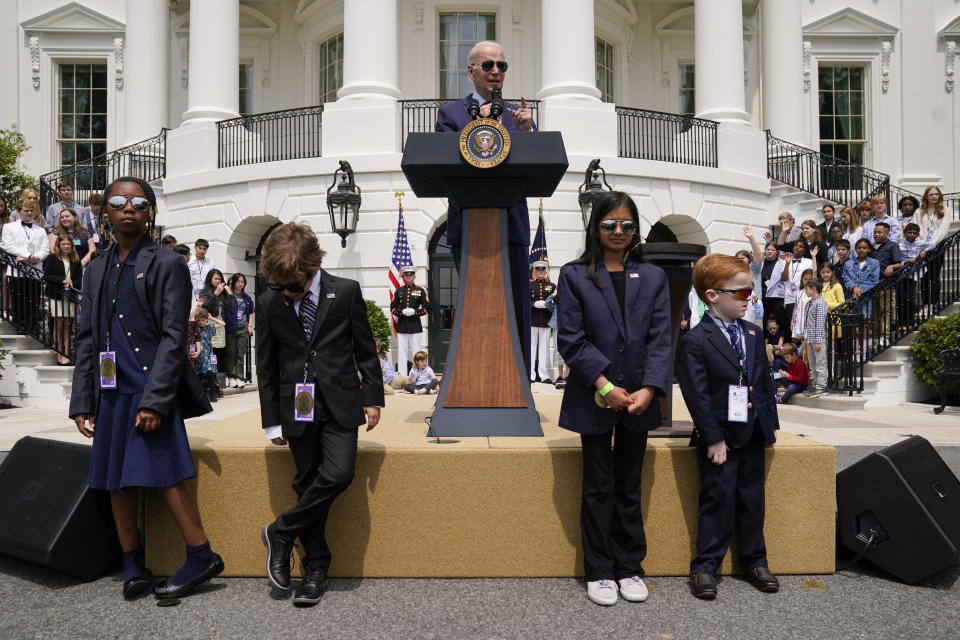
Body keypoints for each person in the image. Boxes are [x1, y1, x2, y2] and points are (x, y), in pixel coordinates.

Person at [69, 176, 221, 601]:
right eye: (118, 201)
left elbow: (175, 336)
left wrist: (156, 399)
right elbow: (86, 338)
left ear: (150, 212)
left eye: (138, 201)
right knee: (118, 480)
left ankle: (201, 554)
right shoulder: (96, 266)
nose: (128, 207)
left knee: (166, 473)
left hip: (150, 384)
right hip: (109, 386)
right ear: (106, 213)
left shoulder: (167, 262)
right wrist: (83, 400)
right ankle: (132, 562)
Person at [257, 222, 382, 607]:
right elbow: (266, 364)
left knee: (339, 473)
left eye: (293, 284)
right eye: (279, 285)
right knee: (306, 480)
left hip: (341, 401)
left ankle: (281, 530)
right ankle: (315, 567)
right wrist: (271, 420)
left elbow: (364, 349)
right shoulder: (267, 302)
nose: (286, 291)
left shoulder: (344, 291)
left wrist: (373, 396)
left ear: (312, 265)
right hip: (294, 404)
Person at [556, 191, 671, 607]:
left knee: (629, 486)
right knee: (598, 485)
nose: (618, 232)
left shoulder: (653, 276)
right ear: (596, 227)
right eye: (609, 225)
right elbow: (570, 338)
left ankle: (630, 566)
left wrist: (649, 388)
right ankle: (600, 570)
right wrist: (604, 385)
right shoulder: (574, 275)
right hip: (595, 395)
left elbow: (661, 338)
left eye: (626, 225)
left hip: (639, 397)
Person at [676, 253, 780, 601]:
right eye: (739, 292)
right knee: (717, 499)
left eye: (750, 291)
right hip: (720, 437)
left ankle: (755, 559)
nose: (748, 298)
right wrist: (713, 438)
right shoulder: (696, 340)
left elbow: (764, 385)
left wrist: (770, 427)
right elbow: (697, 395)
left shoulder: (752, 333)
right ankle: (705, 565)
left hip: (751, 432)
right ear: (712, 296)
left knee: (754, 499)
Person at [435, 40, 535, 373]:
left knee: (517, 306)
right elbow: (446, 161)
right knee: (476, 308)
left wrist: (525, 132)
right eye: (488, 65)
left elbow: (535, 166)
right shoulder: (450, 115)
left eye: (501, 66)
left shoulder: (517, 116)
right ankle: (473, 377)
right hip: (469, 225)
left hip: (513, 226)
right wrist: (480, 124)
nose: (496, 72)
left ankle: (518, 382)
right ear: (471, 71)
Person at [1, 199, 49, 331]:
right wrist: (28, 256)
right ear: (18, 211)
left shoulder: (40, 230)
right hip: (18, 269)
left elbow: (45, 248)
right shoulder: (8, 227)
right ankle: (20, 325)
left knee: (33, 300)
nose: (29, 213)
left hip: (35, 269)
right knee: (19, 299)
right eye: (26, 210)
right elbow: (7, 245)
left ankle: (32, 326)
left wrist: (36, 257)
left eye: (31, 211)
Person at [43, 234, 83, 365]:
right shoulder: (52, 258)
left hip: (69, 296)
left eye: (68, 244)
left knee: (67, 324)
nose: (66, 246)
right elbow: (47, 276)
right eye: (63, 244)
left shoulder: (76, 260)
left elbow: (78, 279)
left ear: (72, 246)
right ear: (59, 245)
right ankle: (58, 352)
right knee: (58, 324)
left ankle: (66, 353)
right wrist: (62, 281)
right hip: (57, 295)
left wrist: (72, 282)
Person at [389, 265, 430, 375]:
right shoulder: (399, 291)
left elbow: (427, 309)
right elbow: (392, 308)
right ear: (404, 277)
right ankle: (402, 377)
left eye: (411, 275)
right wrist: (401, 312)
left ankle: (419, 375)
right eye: (406, 275)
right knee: (402, 353)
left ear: (414, 276)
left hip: (415, 326)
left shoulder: (420, 290)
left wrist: (415, 312)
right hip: (402, 326)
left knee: (416, 352)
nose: (409, 277)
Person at [842, 239, 881, 345]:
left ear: (869, 250)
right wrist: (854, 287)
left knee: (864, 321)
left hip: (866, 297)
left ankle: (863, 347)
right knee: (853, 321)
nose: (861, 250)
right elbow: (845, 277)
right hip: (851, 296)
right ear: (855, 249)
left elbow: (873, 279)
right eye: (859, 248)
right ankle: (855, 348)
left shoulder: (874, 263)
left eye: (864, 248)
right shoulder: (848, 263)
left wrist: (860, 290)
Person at [917, 186, 949, 309]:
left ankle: (934, 302)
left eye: (936, 194)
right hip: (922, 248)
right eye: (931, 194)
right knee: (924, 277)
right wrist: (922, 245)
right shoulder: (919, 212)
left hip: (937, 248)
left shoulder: (945, 210)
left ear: (939, 196)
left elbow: (943, 230)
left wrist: (930, 245)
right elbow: (916, 228)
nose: (934, 196)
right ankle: (926, 303)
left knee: (934, 276)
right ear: (926, 196)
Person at [899, 222, 934, 329]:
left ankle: (910, 323)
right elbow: (897, 259)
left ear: (918, 234)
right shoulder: (900, 245)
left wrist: (923, 252)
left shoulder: (920, 243)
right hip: (904, 273)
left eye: (914, 233)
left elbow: (933, 244)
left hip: (917, 272)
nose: (912, 235)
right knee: (903, 299)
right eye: (909, 232)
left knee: (909, 297)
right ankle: (903, 323)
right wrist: (905, 262)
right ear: (904, 233)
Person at [225, 272, 254, 389]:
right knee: (231, 353)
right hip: (231, 328)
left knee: (240, 353)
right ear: (234, 282)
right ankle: (231, 376)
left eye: (242, 282)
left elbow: (251, 312)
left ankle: (239, 377)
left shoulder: (246, 297)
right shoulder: (228, 295)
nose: (240, 284)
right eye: (238, 282)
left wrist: (250, 326)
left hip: (243, 328)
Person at [801, 279, 829, 397]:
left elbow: (820, 323)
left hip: (818, 339)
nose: (805, 291)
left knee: (820, 363)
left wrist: (818, 340)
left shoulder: (820, 303)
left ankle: (822, 386)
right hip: (809, 338)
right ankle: (815, 385)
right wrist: (804, 338)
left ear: (813, 289)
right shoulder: (808, 303)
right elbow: (807, 322)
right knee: (812, 364)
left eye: (806, 289)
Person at [529, 260, 556, 384]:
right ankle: (531, 375)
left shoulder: (552, 286)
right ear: (535, 271)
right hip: (532, 319)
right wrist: (534, 304)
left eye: (543, 269)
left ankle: (544, 375)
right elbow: (525, 300)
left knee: (544, 349)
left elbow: (556, 301)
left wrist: (548, 305)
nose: (541, 272)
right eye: (538, 269)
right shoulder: (529, 285)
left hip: (546, 320)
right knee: (532, 348)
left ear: (546, 271)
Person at [192, 307, 223, 403]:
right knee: (199, 379)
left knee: (210, 373)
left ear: (206, 320)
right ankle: (216, 389)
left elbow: (223, 323)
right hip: (198, 357)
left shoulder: (209, 328)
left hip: (209, 355)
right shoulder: (194, 329)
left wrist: (211, 318)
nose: (201, 322)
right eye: (199, 320)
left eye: (203, 320)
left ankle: (213, 395)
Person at [544, 284, 568, 389]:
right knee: (557, 351)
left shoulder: (569, 305)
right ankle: (560, 377)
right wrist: (554, 294)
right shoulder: (555, 307)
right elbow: (547, 303)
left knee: (568, 352)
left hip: (568, 330)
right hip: (557, 329)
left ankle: (567, 377)